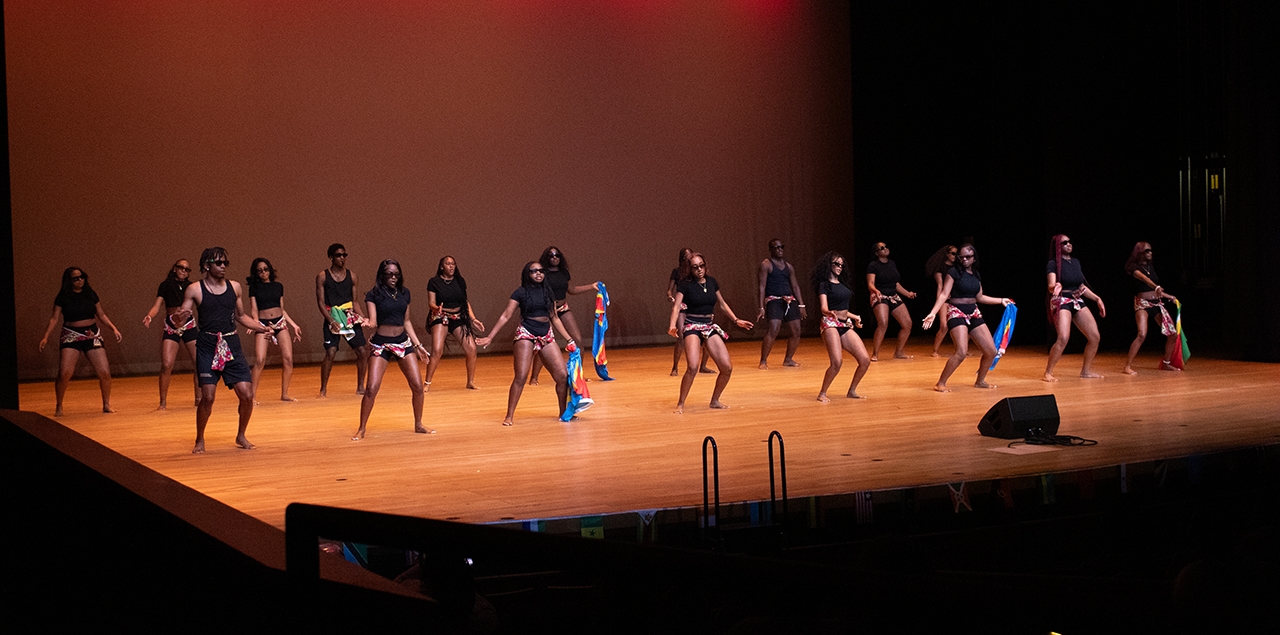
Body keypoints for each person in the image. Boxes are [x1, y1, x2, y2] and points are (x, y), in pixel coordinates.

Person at [175, 248, 272, 453]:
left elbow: (241, 316)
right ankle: (200, 438)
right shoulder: (195, 289)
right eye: (218, 263)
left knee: (247, 395)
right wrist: (179, 317)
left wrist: (261, 327)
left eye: (225, 263)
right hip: (208, 346)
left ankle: (241, 435)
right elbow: (180, 317)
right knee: (208, 397)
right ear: (207, 265)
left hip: (231, 344)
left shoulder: (235, 287)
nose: (223, 267)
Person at [476, 262, 576, 426]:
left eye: (541, 271)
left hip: (545, 332)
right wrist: (490, 337)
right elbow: (506, 315)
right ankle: (509, 415)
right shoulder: (520, 292)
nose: (538, 273)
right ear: (527, 274)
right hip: (526, 332)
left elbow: (555, 318)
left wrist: (569, 339)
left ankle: (563, 413)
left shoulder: (547, 292)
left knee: (562, 376)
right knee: (521, 376)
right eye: (534, 271)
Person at [353, 259, 432, 440]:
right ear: (382, 275)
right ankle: (362, 428)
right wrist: (365, 322)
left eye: (396, 274)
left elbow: (407, 321)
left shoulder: (404, 293)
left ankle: (418, 424)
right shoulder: (373, 294)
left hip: (403, 342)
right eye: (389, 273)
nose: (393, 277)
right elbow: (373, 321)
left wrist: (418, 346)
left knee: (418, 386)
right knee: (371, 388)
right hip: (381, 343)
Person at [668, 253, 755, 413]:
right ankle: (681, 403)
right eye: (695, 267)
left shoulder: (712, 282)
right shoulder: (685, 285)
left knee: (727, 368)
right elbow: (676, 306)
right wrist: (673, 325)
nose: (699, 269)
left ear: (705, 265)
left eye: (701, 265)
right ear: (690, 269)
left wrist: (737, 320)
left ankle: (715, 400)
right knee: (693, 367)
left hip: (708, 326)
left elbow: (722, 304)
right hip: (692, 326)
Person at [921, 244, 1014, 392]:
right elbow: (944, 294)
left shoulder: (976, 275)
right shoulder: (953, 272)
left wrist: (1001, 300)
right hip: (956, 311)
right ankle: (941, 383)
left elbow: (980, 297)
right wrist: (933, 313)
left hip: (973, 311)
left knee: (991, 351)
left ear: (974, 258)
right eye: (961, 257)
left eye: (968, 257)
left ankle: (980, 381)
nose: (964, 259)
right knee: (961, 352)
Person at [39, 266, 123, 416]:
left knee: (104, 372)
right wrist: (46, 336)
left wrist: (113, 328)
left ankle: (106, 404)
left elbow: (101, 314)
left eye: (82, 277)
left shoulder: (90, 294)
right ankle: (59, 405)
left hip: (91, 333)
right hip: (71, 334)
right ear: (69, 281)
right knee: (65, 373)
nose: (80, 280)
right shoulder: (63, 296)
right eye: (76, 278)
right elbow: (54, 318)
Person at [528, 246, 600, 385]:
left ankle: (578, 374)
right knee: (543, 343)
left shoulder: (563, 272)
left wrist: (591, 286)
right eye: (551, 256)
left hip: (563, 308)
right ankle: (534, 377)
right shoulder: (543, 273)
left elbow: (571, 290)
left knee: (577, 340)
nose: (554, 258)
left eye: (557, 255)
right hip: (547, 310)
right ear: (546, 258)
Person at [1044, 234, 1106, 381]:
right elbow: (1051, 286)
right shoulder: (1053, 264)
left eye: (1070, 242)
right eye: (1065, 242)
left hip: (1077, 300)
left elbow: (1081, 286)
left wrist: (1097, 299)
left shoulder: (1076, 262)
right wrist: (1056, 286)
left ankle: (1085, 371)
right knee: (1063, 337)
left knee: (1094, 337)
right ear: (1058, 247)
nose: (1069, 244)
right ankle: (1048, 372)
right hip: (1063, 300)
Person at [141, 259, 199, 410]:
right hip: (171, 325)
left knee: (199, 363)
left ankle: (199, 399)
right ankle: (163, 403)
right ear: (175, 268)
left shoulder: (191, 286)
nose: (184, 271)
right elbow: (157, 305)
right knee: (167, 364)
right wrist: (150, 316)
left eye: (187, 269)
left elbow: (201, 305)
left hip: (189, 325)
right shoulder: (165, 285)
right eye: (181, 268)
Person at [812, 252, 870, 401]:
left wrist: (855, 317)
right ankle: (822, 393)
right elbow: (823, 307)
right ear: (829, 265)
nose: (840, 267)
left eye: (841, 265)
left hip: (845, 324)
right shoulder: (824, 285)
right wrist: (828, 312)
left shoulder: (843, 286)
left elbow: (844, 310)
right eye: (836, 264)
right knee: (837, 362)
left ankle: (852, 390)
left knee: (864, 360)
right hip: (830, 324)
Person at [316, 243, 370, 397]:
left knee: (362, 350)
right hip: (332, 316)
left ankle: (360, 387)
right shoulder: (322, 276)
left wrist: (362, 317)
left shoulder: (352, 276)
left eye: (344, 255)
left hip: (348, 317)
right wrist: (330, 320)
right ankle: (323, 389)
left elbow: (355, 301)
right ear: (331, 257)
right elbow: (320, 302)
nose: (342, 258)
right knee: (331, 352)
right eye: (338, 255)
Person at [424, 256, 484, 390]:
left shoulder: (460, 281)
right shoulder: (434, 282)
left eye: (453, 264)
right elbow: (431, 303)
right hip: (441, 316)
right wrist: (436, 308)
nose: (451, 266)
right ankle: (427, 383)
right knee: (437, 351)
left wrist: (473, 319)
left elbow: (465, 302)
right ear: (441, 267)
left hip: (458, 317)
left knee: (471, 348)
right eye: (448, 264)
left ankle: (470, 382)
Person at [247, 258, 302, 403]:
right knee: (260, 360)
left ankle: (284, 394)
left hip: (279, 322)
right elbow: (254, 310)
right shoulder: (254, 288)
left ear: (270, 270)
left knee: (288, 358)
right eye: (260, 270)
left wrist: (294, 325)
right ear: (256, 273)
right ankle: (251, 396)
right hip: (263, 324)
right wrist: (255, 324)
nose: (263, 272)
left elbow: (282, 309)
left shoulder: (278, 286)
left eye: (265, 269)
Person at [1122, 242, 1180, 374]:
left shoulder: (1150, 267)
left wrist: (1168, 296)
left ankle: (1166, 363)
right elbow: (1146, 280)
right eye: (1147, 251)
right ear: (1140, 252)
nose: (1150, 253)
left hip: (1156, 304)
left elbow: (1155, 290)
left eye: (1151, 251)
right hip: (1143, 304)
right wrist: (1157, 287)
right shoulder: (1135, 269)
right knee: (1142, 334)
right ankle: (1127, 366)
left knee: (1172, 334)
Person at [757, 239, 807, 369]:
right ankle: (763, 361)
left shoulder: (789, 266)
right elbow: (762, 286)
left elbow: (795, 286)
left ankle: (788, 359)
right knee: (773, 329)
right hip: (774, 300)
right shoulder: (766, 265)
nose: (780, 250)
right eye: (776, 247)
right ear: (771, 249)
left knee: (796, 331)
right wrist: (761, 307)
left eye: (781, 247)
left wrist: (801, 304)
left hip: (789, 300)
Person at [866, 242, 918, 361]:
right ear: (876, 253)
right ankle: (875, 354)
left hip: (893, 295)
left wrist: (907, 293)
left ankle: (898, 352)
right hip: (879, 295)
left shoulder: (892, 263)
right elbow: (870, 283)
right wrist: (875, 291)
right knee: (883, 323)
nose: (885, 249)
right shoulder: (873, 265)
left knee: (907, 324)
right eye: (882, 248)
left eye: (886, 247)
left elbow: (895, 284)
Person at [668, 247, 712, 376]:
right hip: (683, 305)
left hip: (696, 306)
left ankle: (703, 366)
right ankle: (675, 367)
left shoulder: (697, 272)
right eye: (685, 256)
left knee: (707, 336)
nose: (688, 258)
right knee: (681, 336)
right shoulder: (677, 272)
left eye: (689, 255)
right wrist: (670, 296)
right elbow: (669, 290)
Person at [924, 245, 958, 357]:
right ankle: (935, 350)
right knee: (944, 326)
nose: (955, 256)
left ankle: (961, 350)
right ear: (947, 254)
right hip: (945, 300)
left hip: (956, 299)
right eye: (953, 253)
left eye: (956, 254)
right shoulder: (940, 268)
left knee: (961, 325)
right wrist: (938, 304)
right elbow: (940, 287)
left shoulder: (957, 268)